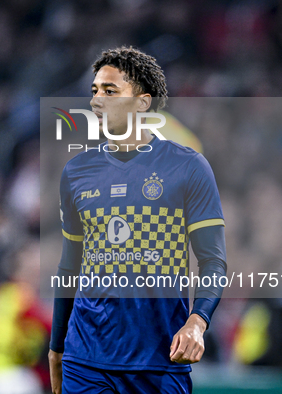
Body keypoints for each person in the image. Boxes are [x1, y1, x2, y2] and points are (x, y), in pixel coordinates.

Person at [48, 46, 227, 394]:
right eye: (95, 92)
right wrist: (57, 349)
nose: (97, 101)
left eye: (110, 92)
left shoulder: (188, 167)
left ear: (143, 103)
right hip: (85, 360)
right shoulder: (76, 172)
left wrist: (197, 322)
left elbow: (213, 261)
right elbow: (70, 266)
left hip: (159, 361)